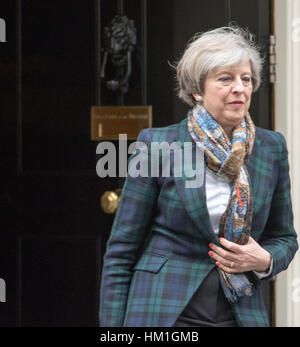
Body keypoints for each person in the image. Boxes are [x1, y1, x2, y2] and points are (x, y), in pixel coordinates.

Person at [99, 26, 298, 327]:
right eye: (225, 79)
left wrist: (265, 260)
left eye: (246, 79)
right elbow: (121, 252)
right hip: (164, 311)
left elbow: (285, 238)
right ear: (197, 89)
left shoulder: (271, 147)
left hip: (240, 312)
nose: (239, 88)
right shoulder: (158, 145)